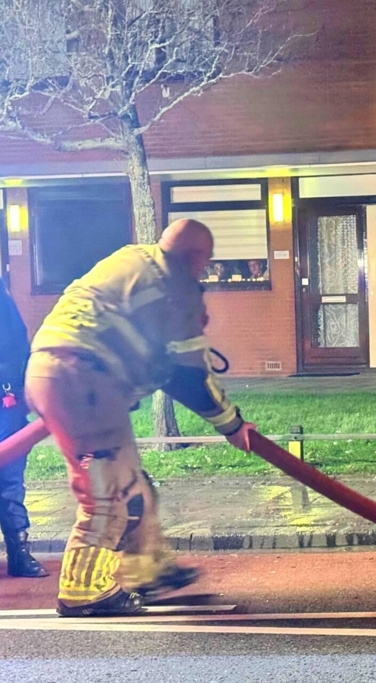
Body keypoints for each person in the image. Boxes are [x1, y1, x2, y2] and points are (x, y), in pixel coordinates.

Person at [25, 219, 257, 617]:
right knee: (110, 495)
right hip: (86, 382)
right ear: (198, 257)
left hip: (57, 374)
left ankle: (146, 570)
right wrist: (232, 425)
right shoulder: (176, 286)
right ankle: (83, 591)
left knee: (134, 486)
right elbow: (188, 373)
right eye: (206, 260)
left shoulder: (131, 257)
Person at [0, 279, 48, 578]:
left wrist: (19, 389)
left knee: (10, 479)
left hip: (5, 399)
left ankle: (19, 551)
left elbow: (18, 344)